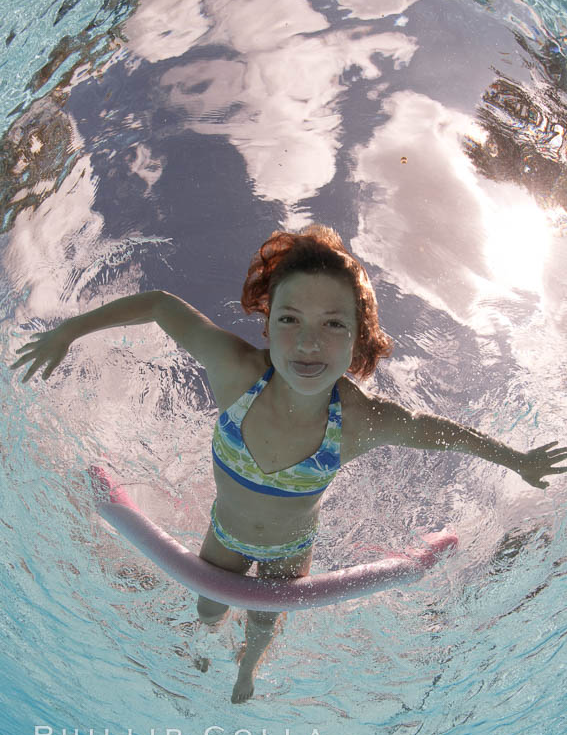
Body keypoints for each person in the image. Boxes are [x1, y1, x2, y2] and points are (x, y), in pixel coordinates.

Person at [9, 224, 567, 704]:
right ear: (268, 323)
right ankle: (200, 648)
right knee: (208, 605)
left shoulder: (355, 421)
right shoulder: (236, 371)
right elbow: (158, 304)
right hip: (224, 533)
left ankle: (247, 670)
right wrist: (69, 329)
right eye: (291, 319)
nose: (308, 342)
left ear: (358, 340)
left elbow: (435, 433)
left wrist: (514, 459)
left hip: (289, 551)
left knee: (261, 621)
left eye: (333, 325)